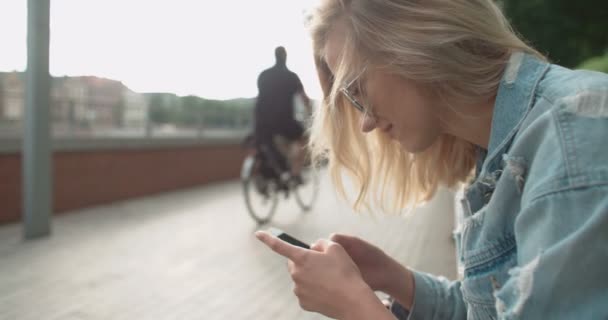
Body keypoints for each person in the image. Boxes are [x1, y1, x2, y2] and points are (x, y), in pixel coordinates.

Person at [255, 0, 608, 319]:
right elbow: (497, 309)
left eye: (357, 91)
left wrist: (357, 309)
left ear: (411, 42)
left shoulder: (573, 136)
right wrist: (396, 279)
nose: (365, 122)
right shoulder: (489, 161)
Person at [254, 46, 313, 185]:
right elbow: (305, 99)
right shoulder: (291, 76)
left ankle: (282, 170)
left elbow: (259, 98)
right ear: (285, 57)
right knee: (300, 138)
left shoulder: (263, 75)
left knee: (270, 142)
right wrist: (310, 112)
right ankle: (295, 173)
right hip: (283, 119)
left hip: (261, 121)